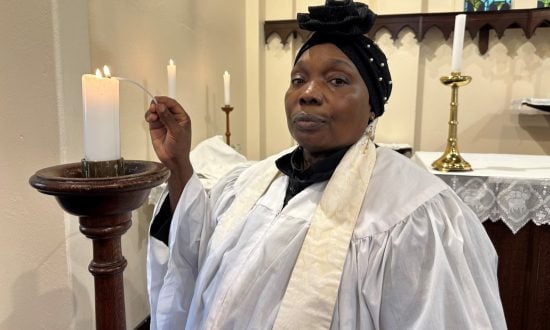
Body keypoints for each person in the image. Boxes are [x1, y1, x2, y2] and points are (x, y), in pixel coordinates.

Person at [145, 1, 506, 329]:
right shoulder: (255, 181)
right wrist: (178, 166)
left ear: (373, 108)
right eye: (298, 79)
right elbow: (197, 258)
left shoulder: (414, 215)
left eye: (337, 80)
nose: (308, 93)